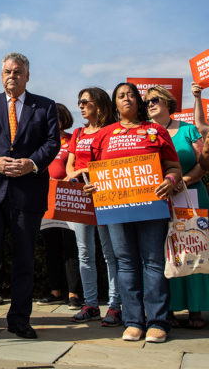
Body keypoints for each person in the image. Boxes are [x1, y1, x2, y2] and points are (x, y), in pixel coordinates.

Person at [0, 52, 60, 338]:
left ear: (27, 76)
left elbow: (52, 142)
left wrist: (31, 163)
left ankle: (19, 318)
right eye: (7, 71)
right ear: (1, 75)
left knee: (24, 259)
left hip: (27, 193)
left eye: (17, 72)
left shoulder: (44, 107)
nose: (12, 76)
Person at [83, 82, 182, 343]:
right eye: (120, 96)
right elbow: (90, 171)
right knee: (125, 263)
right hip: (116, 209)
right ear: (115, 104)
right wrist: (90, 185)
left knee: (153, 262)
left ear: (138, 101)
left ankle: (158, 321)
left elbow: (174, 167)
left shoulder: (156, 130)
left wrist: (170, 181)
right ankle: (134, 321)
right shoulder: (104, 135)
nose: (126, 99)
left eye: (130, 95)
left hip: (152, 207)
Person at [145, 84, 208, 329]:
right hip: (159, 201)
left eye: (155, 99)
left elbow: (203, 163)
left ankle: (195, 309)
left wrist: (182, 182)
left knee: (193, 248)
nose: (150, 104)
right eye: (148, 101)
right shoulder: (145, 132)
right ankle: (167, 309)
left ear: (168, 103)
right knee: (163, 252)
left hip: (191, 196)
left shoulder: (189, 130)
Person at [65, 87, 121, 326]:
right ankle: (90, 304)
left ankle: (115, 305)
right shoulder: (77, 133)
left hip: (105, 196)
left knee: (111, 254)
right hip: (81, 198)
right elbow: (70, 167)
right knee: (84, 252)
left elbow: (115, 164)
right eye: (79, 101)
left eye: (85, 101)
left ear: (98, 104)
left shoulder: (112, 131)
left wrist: (89, 172)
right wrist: (78, 173)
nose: (80, 105)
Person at [37, 103, 81, 309]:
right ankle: (55, 290)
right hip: (47, 200)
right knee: (51, 247)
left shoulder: (73, 140)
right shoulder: (42, 142)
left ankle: (73, 293)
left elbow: (77, 167)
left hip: (68, 199)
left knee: (71, 247)